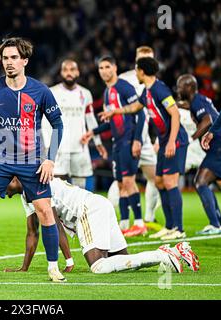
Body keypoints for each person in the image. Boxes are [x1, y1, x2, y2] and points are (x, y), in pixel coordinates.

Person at [0, 37, 66, 282]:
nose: (8, 63)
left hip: (32, 161)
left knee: (45, 213)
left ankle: (53, 266)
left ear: (24, 61)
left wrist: (50, 160)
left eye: (13, 58)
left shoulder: (40, 91)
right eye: (5, 58)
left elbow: (58, 125)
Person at [4, 177, 200, 274]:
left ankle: (163, 254)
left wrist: (69, 260)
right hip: (99, 204)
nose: (1, 191)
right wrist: (23, 268)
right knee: (124, 262)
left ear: (14, 179)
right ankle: (174, 252)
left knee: (98, 266)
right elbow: (33, 233)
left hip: (88, 210)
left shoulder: (35, 187)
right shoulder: (26, 193)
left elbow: (55, 225)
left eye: (3, 184)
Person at [100, 57, 189, 241]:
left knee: (170, 182)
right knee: (159, 181)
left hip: (176, 140)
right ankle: (170, 226)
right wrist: (114, 111)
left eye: (136, 70)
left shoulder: (160, 89)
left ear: (142, 71)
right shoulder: (147, 91)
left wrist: (172, 141)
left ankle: (179, 228)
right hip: (164, 141)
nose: (136, 73)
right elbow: (135, 107)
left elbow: (175, 114)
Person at [82, 56, 147, 237]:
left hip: (128, 140)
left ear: (115, 68)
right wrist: (93, 132)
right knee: (120, 184)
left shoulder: (124, 87)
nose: (104, 71)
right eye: (101, 68)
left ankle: (140, 223)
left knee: (129, 182)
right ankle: (125, 223)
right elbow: (111, 121)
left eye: (107, 67)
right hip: (117, 143)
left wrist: (137, 140)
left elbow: (140, 114)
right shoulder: (106, 92)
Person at [176, 74, 221, 234]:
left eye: (180, 86)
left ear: (189, 88)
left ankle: (215, 225)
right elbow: (190, 107)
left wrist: (191, 139)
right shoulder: (198, 101)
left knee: (200, 182)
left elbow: (207, 120)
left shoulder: (197, 101)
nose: (178, 89)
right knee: (211, 183)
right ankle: (220, 222)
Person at [107, 46, 161, 229]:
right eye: (142, 57)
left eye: (149, 57)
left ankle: (148, 217)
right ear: (136, 59)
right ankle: (117, 217)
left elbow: (157, 114)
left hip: (146, 138)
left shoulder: (155, 83)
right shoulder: (125, 80)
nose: (145, 60)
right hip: (128, 137)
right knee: (123, 180)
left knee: (157, 178)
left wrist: (158, 139)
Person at [41, 59, 107, 189]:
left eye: (72, 70)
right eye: (65, 70)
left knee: (80, 189)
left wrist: (98, 142)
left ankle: (78, 210)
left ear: (77, 72)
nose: (69, 73)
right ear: (61, 73)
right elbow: (45, 121)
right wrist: (49, 145)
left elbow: (90, 119)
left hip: (79, 147)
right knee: (57, 188)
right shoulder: (52, 92)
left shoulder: (85, 94)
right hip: (58, 149)